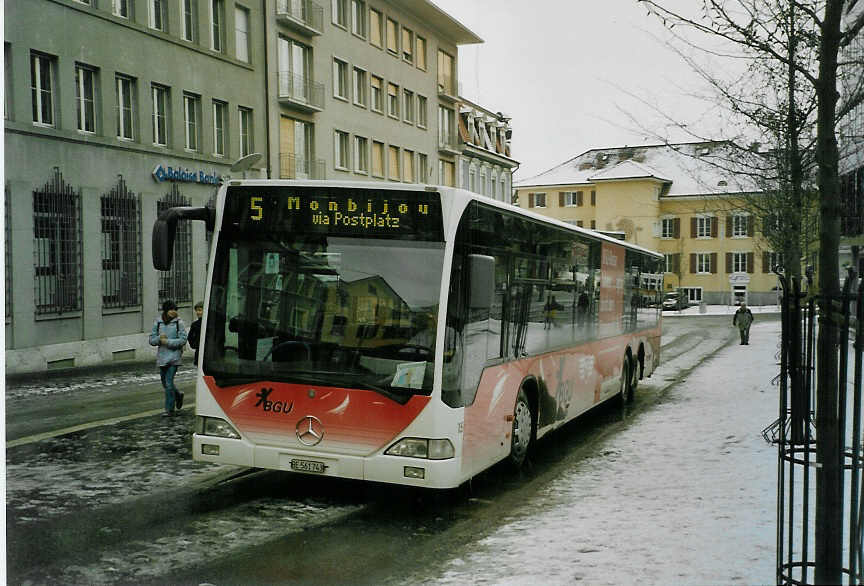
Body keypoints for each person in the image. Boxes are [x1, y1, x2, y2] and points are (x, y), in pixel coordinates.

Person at [149, 299, 187, 416]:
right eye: (171, 309)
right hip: (162, 357)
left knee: (169, 383)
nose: (173, 312)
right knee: (165, 384)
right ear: (166, 310)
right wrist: (160, 338)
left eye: (175, 310)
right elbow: (151, 340)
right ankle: (178, 395)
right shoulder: (158, 322)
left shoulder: (178, 323)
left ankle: (169, 410)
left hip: (174, 357)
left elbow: (183, 339)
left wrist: (168, 342)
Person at [187, 301, 204, 366]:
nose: (198, 312)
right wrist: (195, 345)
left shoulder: (211, 323)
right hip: (199, 352)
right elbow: (190, 337)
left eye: (200, 310)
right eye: (196, 310)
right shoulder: (195, 324)